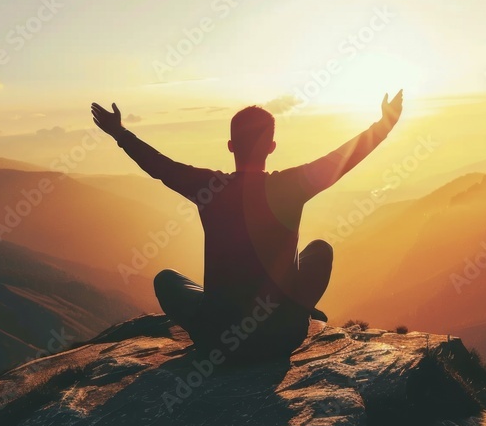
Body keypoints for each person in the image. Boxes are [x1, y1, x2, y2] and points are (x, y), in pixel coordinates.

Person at [91, 90, 403, 361]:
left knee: (166, 280)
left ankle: (220, 314)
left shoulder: (209, 187)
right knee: (320, 250)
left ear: (230, 146)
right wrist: (384, 124)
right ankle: (299, 312)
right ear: (271, 146)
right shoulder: (290, 186)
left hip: (219, 342)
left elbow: (159, 166)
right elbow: (342, 159)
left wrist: (120, 133)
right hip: (282, 336)